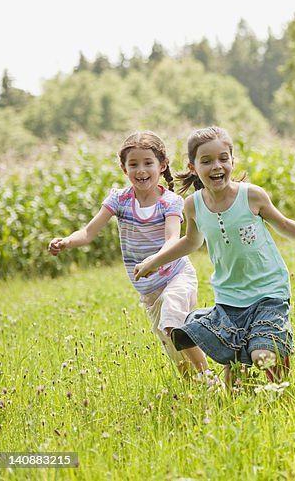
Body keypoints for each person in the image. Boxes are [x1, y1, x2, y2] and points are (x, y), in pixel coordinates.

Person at [134, 126, 295, 385]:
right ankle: (238, 407)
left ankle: (282, 384)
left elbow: (285, 225)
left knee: (263, 356)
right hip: (229, 296)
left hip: (268, 291)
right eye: (206, 161)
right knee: (233, 370)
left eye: (223, 158)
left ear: (232, 161)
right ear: (193, 167)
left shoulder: (251, 196)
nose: (216, 166)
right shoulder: (193, 205)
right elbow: (190, 242)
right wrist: (154, 261)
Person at [48, 131, 209, 377]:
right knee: (171, 343)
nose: (141, 170)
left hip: (177, 276)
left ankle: (209, 379)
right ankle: (192, 390)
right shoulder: (120, 200)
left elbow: (172, 240)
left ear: (162, 165)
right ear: (124, 168)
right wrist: (66, 242)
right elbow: (89, 232)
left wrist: (154, 262)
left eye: (148, 163)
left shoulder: (170, 202)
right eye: (133, 164)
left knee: (173, 322)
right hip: (148, 288)